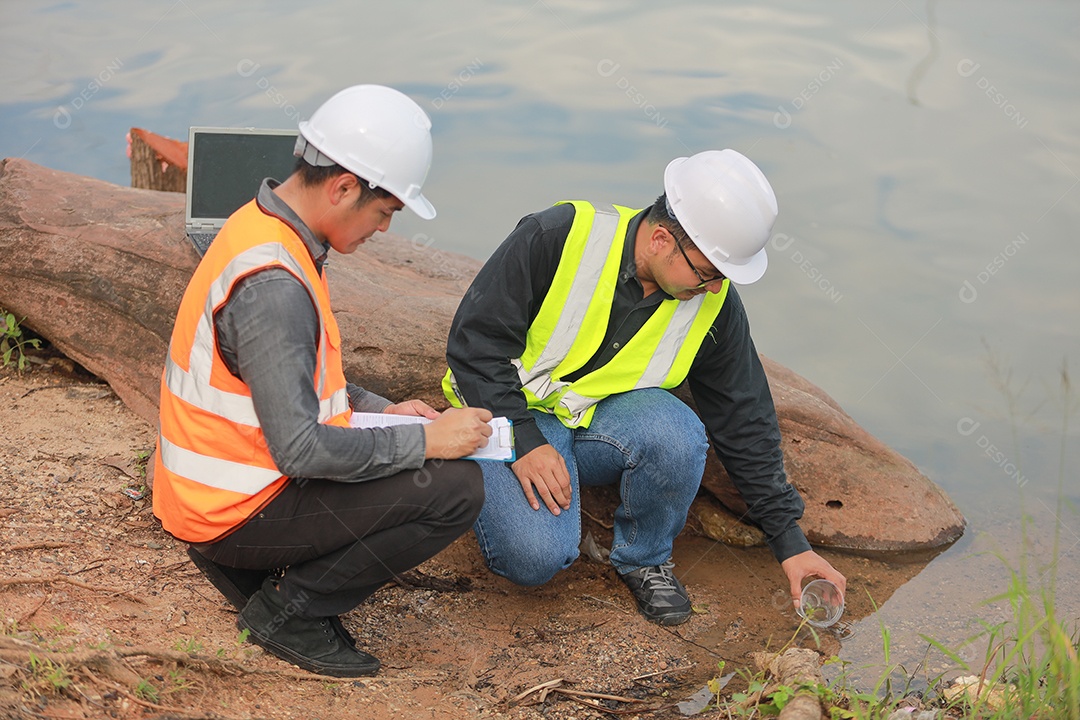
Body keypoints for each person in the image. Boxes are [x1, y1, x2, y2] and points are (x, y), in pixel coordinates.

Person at [152, 85, 493, 678]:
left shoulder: (263, 227)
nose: (383, 228)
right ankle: (288, 614)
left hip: (213, 494)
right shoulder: (275, 286)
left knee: (430, 465)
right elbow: (301, 450)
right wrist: (427, 442)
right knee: (456, 489)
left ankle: (254, 572)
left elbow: (294, 378)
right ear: (343, 188)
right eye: (385, 212)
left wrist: (386, 410)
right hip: (231, 510)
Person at [443, 149, 846, 626]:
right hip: (504, 417)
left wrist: (791, 543)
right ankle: (463, 462)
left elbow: (744, 416)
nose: (715, 288)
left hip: (594, 423)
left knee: (677, 431)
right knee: (535, 558)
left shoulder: (712, 304)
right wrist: (525, 441)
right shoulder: (558, 236)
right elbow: (475, 343)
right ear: (660, 239)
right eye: (708, 273)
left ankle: (645, 558)